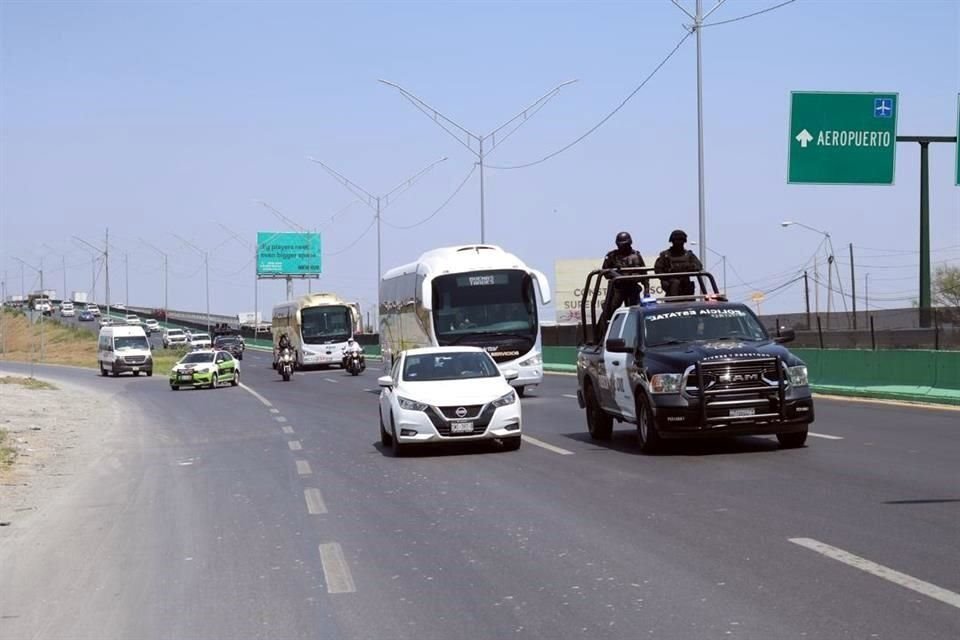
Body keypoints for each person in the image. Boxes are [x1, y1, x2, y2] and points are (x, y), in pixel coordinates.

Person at [599, 231, 646, 335]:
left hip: (632, 287)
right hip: (617, 288)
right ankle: (600, 336)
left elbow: (644, 274)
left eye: (626, 244)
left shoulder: (636, 256)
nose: (624, 247)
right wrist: (616, 276)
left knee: (636, 313)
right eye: (621, 245)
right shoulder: (612, 256)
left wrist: (647, 291)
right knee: (608, 312)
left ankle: (638, 336)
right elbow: (605, 272)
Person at [654, 229, 703, 297]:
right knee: (675, 283)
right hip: (671, 287)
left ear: (684, 242)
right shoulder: (665, 255)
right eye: (676, 241)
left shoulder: (689, 255)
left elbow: (699, 266)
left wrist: (688, 268)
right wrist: (666, 278)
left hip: (686, 288)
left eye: (681, 241)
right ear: (672, 241)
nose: (679, 243)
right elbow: (658, 270)